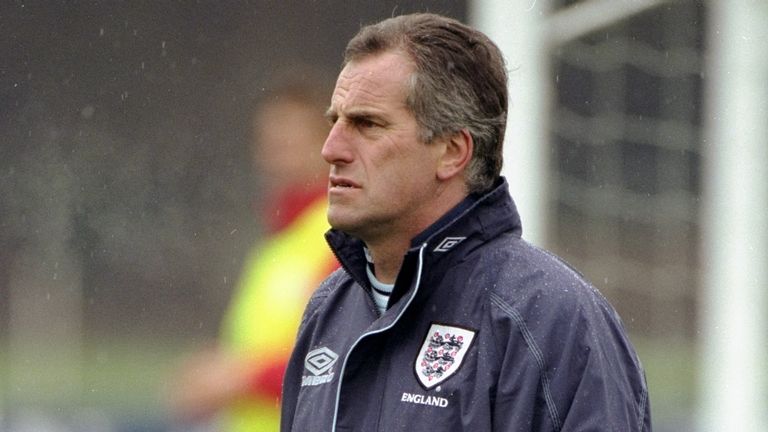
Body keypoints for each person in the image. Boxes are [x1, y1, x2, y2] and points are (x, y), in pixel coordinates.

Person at [280, 13, 651, 432]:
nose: (331, 149)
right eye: (335, 122)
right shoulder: (329, 309)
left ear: (453, 151)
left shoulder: (551, 317)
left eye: (367, 124)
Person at [167, 74, 337, 432]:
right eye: (269, 143)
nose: (276, 157)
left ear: (329, 146)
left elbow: (335, 359)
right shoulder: (273, 245)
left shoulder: (339, 235)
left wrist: (236, 379)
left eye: (291, 143)